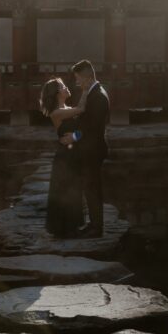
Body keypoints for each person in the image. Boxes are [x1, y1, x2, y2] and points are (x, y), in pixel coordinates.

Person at [60, 59, 110, 238]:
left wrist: (74, 137)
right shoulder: (90, 92)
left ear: (87, 77)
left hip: (94, 150)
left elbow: (92, 128)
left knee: (92, 189)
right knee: (89, 187)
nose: (77, 82)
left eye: (78, 79)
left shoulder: (99, 97)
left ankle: (97, 228)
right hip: (89, 149)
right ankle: (93, 224)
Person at [38, 77, 86, 237]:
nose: (67, 87)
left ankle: (71, 227)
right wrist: (88, 88)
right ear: (58, 93)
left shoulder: (66, 108)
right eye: (63, 86)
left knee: (73, 188)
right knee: (65, 190)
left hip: (72, 153)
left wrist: (77, 136)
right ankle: (64, 229)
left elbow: (81, 131)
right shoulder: (57, 113)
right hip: (65, 157)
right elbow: (82, 109)